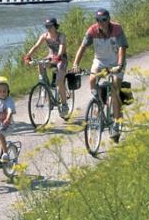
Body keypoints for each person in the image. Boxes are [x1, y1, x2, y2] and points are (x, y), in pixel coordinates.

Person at [72, 8, 128, 139]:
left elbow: (122, 48)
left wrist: (119, 65)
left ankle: (116, 123)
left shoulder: (117, 29)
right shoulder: (92, 30)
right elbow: (83, 47)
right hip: (100, 61)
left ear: (108, 19)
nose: (101, 22)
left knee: (114, 89)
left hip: (116, 62)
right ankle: (98, 103)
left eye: (103, 20)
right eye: (98, 20)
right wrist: (75, 64)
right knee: (92, 79)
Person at [24, 17, 69, 115]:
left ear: (55, 26)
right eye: (46, 26)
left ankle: (65, 104)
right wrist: (28, 56)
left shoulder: (61, 36)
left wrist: (58, 57)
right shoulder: (45, 36)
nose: (48, 28)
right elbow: (36, 46)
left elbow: (61, 47)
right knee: (40, 63)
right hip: (50, 57)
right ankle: (44, 83)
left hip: (61, 59)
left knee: (59, 81)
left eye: (50, 26)